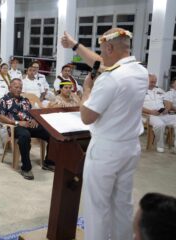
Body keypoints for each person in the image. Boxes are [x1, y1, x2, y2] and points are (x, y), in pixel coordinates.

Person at [61, 28, 148, 239]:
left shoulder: (110, 79)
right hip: (130, 147)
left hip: (106, 151)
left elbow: (87, 116)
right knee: (123, 203)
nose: (101, 56)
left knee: (97, 207)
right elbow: (102, 63)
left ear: (109, 47)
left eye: (103, 50)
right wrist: (74, 45)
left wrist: (87, 89)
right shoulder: (140, 72)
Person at [0, 79, 55, 180]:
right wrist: (17, 122)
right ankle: (26, 168)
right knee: (25, 136)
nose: (19, 89)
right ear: (10, 87)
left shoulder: (25, 100)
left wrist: (34, 120)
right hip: (15, 127)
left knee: (51, 133)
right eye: (16, 87)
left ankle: (48, 162)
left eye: (20, 87)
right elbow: (0, 116)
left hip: (28, 124)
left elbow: (31, 113)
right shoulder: (4, 100)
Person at [142, 74, 176, 153]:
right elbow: (137, 107)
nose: (154, 84)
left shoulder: (159, 90)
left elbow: (167, 100)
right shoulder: (140, 91)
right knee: (160, 125)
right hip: (150, 115)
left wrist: (167, 109)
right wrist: (150, 111)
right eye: (151, 82)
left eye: (155, 82)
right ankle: (160, 145)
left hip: (163, 114)